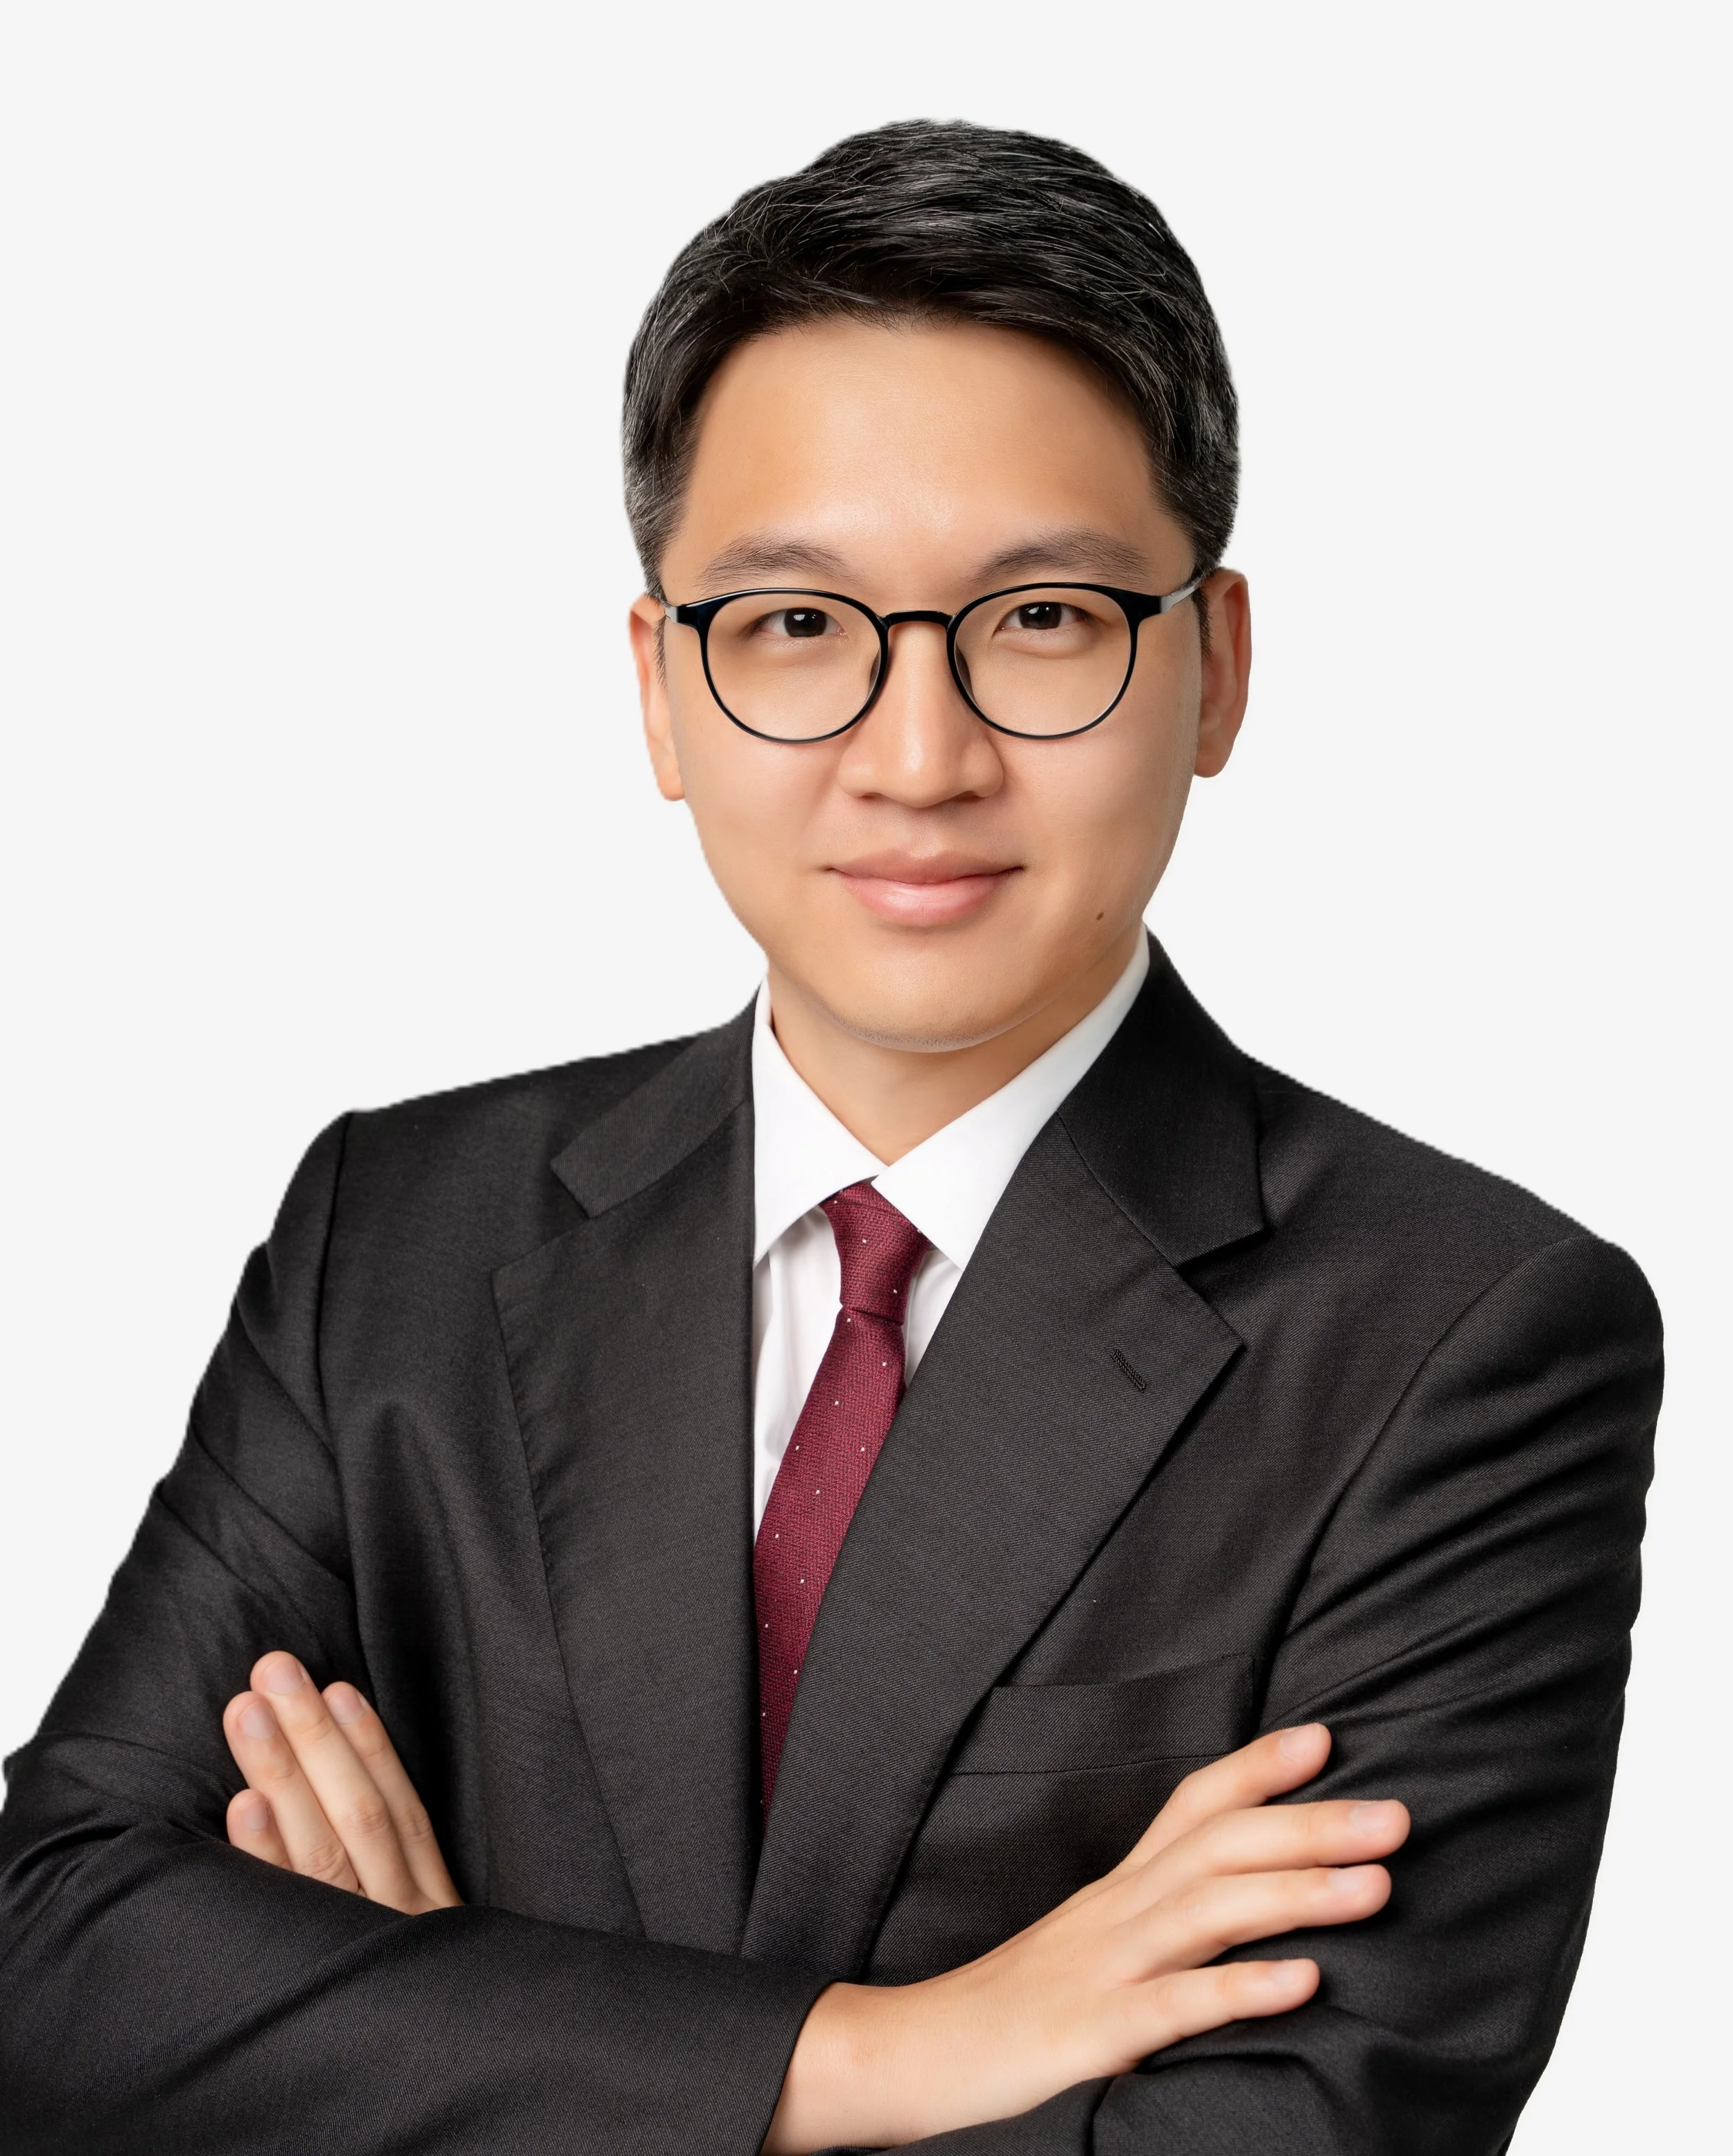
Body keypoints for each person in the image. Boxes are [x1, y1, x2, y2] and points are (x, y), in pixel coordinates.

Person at [0, 121, 1660, 2155]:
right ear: (661, 695)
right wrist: (886, 2051)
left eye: (1041, 617)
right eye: (794, 628)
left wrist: (419, 2045)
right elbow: (54, 1954)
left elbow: (1287, 2139)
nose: (916, 753)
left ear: (1212, 667)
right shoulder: (395, 1235)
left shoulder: (1455, 1335)